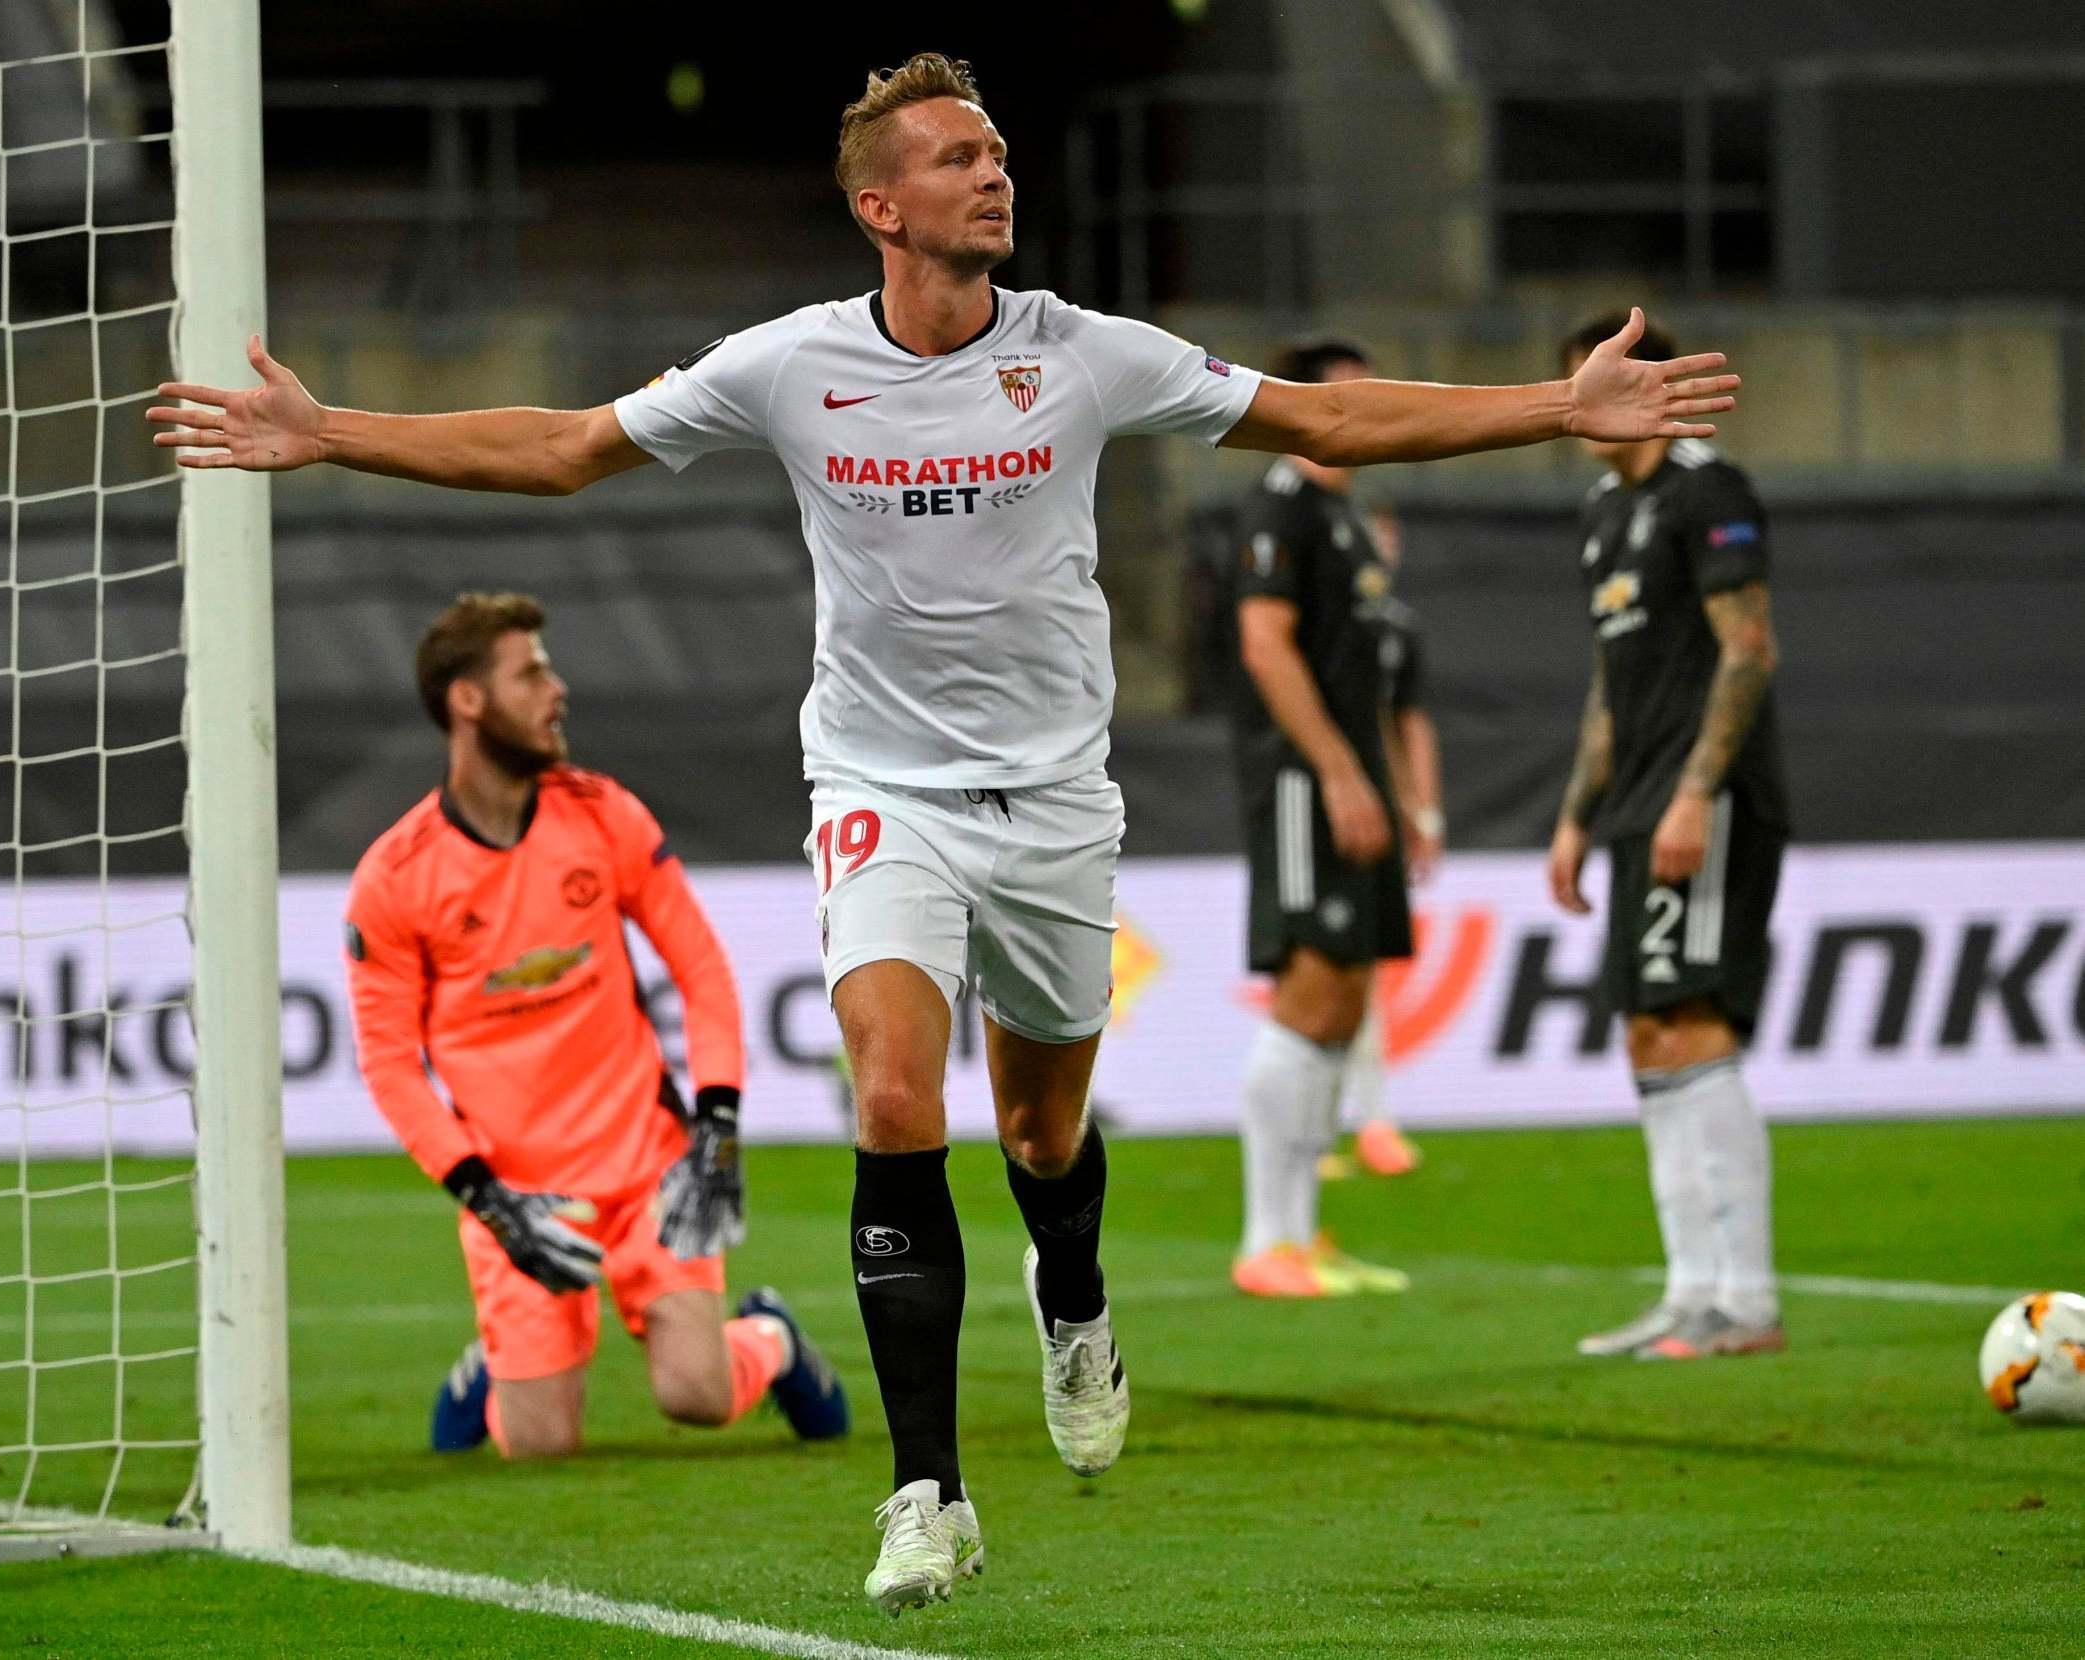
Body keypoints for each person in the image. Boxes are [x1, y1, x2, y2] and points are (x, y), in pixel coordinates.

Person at [148, 52, 1737, 1615]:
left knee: (1043, 1134)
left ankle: (1076, 1301)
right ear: (878, 205)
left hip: (1052, 800)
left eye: (998, 152)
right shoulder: (788, 365)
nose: (997, 173)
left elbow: (1329, 413)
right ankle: (928, 1495)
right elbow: (567, 448)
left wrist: (1556, 405)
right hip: (877, 793)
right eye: (960, 157)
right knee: (895, 1101)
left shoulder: (1085, 353)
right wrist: (332, 431)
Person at [342, 592, 851, 1461]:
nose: (557, 689)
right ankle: (494, 1372)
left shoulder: (602, 813)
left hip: (644, 1168)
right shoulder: (395, 878)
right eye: (530, 672)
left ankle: (769, 1339)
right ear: (468, 701)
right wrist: (488, 1202)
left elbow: (701, 968)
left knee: (693, 1394)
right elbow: (390, 1066)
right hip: (519, 1193)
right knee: (539, 1446)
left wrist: (717, 1123)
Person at [1547, 312, 1787, 1362]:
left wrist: (1695, 793)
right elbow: (1611, 682)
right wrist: (1574, 815)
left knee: (1689, 1021)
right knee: (1647, 1029)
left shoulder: (1705, 490)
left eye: (1590, 379)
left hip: (1708, 796)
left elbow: (1747, 650)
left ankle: (1744, 1300)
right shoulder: (1605, 512)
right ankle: (1691, 1290)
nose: (1573, 404)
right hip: (1637, 800)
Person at [1226, 339, 1416, 1298]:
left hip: (1352, 781)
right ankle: (1266, 1240)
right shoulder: (1279, 507)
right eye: (1342, 401)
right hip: (1304, 782)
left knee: (1343, 996)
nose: (1357, 418)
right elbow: (1265, 647)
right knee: (1309, 987)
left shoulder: (1345, 516)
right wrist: (1339, 774)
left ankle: (1301, 1233)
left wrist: (1395, 794)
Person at [1320, 499, 1443, 1184]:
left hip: (1378, 813)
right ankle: (1320, 1127)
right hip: (1324, 808)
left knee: (1362, 973)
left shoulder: (1396, 630)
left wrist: (1423, 813)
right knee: (1324, 975)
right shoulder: (1322, 625)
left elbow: (1408, 723)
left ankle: (1370, 1119)